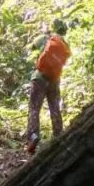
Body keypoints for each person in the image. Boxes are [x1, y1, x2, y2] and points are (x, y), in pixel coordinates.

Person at [24, 19, 70, 154]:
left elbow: (32, 47)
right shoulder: (64, 43)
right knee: (55, 107)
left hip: (40, 78)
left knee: (34, 108)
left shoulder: (45, 37)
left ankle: (33, 135)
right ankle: (59, 135)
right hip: (54, 80)